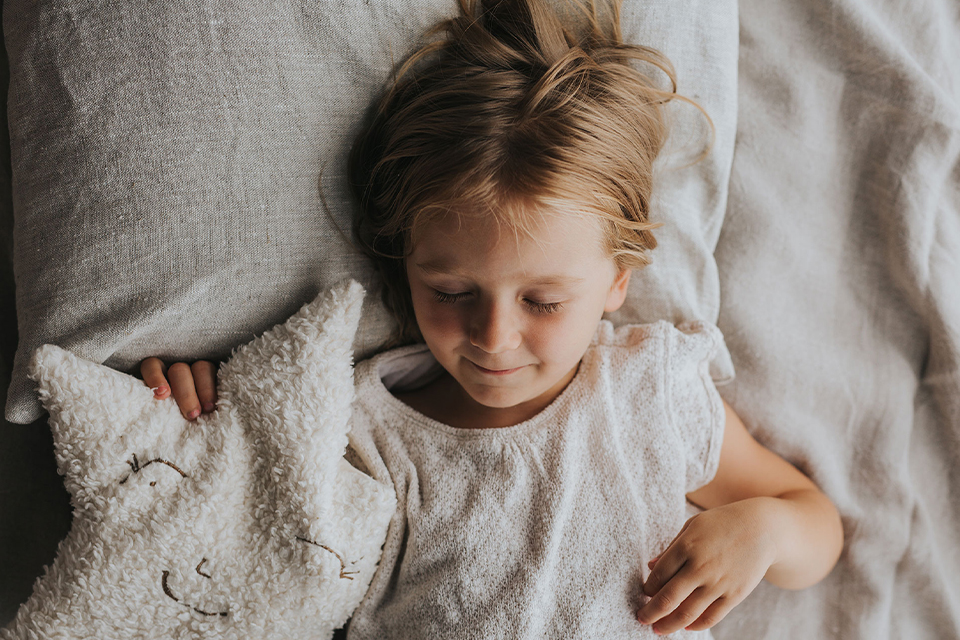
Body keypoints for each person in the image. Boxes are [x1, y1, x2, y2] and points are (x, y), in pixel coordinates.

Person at [141, 0, 844, 637]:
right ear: (406, 262)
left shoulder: (650, 393)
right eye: (451, 291)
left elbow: (813, 521)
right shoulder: (356, 428)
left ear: (617, 280)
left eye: (543, 302)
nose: (493, 337)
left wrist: (765, 531)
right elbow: (239, 551)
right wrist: (200, 419)